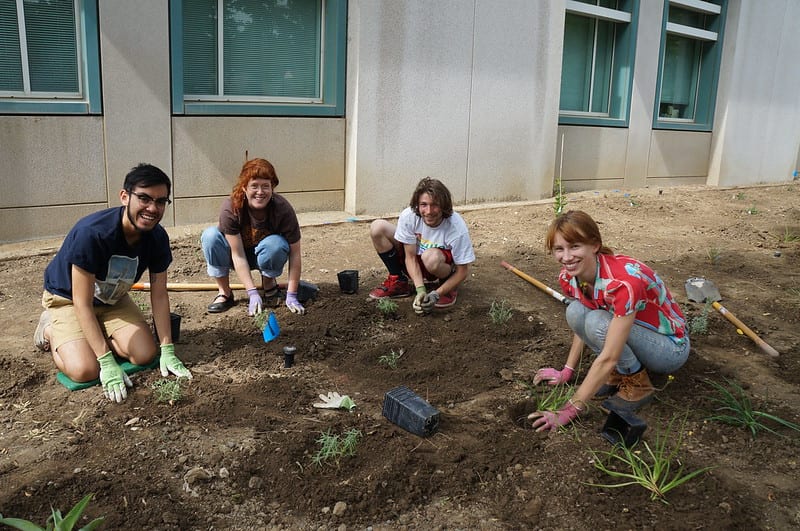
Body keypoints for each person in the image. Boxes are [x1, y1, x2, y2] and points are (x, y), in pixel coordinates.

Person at [34, 163, 192, 403]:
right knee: (84, 370)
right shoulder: (93, 233)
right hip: (68, 299)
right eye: (144, 198)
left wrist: (167, 348)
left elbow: (159, 295)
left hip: (112, 299)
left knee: (145, 354)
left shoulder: (157, 237)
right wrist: (105, 360)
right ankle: (49, 330)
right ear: (124, 197)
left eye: (161, 201)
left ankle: (93, 335)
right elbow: (81, 302)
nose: (152, 208)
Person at [529, 210, 689, 431]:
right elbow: (580, 324)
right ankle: (618, 375)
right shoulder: (570, 276)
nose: (566, 257)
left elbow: (609, 356)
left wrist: (570, 409)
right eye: (559, 249)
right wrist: (567, 370)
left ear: (594, 245)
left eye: (575, 247)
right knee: (576, 311)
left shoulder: (622, 284)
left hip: (669, 348)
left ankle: (638, 382)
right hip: (636, 334)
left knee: (597, 322)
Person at [200, 158, 305, 316]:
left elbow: (295, 254)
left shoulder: (282, 209)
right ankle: (225, 293)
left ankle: (269, 287)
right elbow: (238, 254)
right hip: (234, 256)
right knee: (210, 236)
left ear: (272, 188)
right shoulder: (231, 208)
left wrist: (291, 294)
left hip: (264, 255)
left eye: (265, 186)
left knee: (276, 244)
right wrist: (252, 293)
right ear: (244, 187)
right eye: (254, 186)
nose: (260, 192)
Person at [369, 177, 475, 314]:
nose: (429, 211)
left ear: (444, 205)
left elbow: (463, 271)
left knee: (430, 257)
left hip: (439, 264)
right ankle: (399, 282)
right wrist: (420, 289)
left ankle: (446, 286)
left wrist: (436, 294)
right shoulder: (409, 216)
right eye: (424, 204)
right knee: (378, 227)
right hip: (416, 261)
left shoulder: (456, 227)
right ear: (417, 205)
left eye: (435, 204)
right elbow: (410, 257)